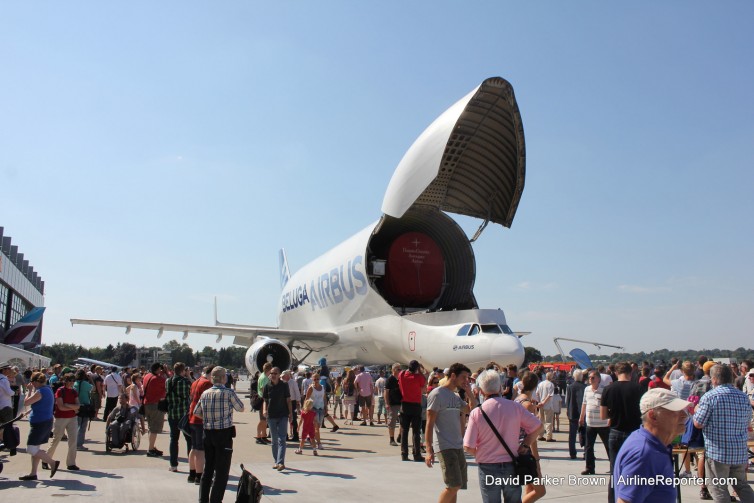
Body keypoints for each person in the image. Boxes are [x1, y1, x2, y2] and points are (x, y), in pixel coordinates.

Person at [465, 370, 543, 503]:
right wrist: (525, 444)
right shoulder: (514, 407)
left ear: (482, 392)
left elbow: (468, 446)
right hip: (511, 464)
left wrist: (481, 453)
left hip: (488, 466)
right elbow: (538, 426)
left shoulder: (477, 412)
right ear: (500, 388)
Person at [613, 388, 691, 502]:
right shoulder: (644, 454)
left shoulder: (653, 445)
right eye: (676, 411)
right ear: (653, 416)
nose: (684, 415)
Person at [693, 364, 754, 502]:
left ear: (714, 379)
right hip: (739, 450)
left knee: (718, 488)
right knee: (742, 486)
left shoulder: (710, 397)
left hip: (718, 452)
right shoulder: (743, 397)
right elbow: (747, 422)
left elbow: (698, 423)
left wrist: (696, 410)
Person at [425, 362, 476, 503]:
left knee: (456, 486)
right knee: (454, 485)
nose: (466, 380)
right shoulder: (437, 394)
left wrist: (469, 393)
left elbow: (471, 410)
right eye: (464, 377)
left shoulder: (455, 396)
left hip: (457, 445)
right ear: (453, 375)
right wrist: (429, 449)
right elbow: (429, 423)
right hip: (444, 445)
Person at [193, 366, 244, 503]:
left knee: (208, 468)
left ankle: (203, 499)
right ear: (222, 378)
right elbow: (241, 408)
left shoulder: (205, 394)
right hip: (223, 434)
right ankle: (215, 500)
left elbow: (196, 412)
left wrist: (209, 418)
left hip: (208, 433)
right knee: (221, 472)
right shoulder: (228, 393)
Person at [599, 362, 642, 503]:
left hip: (615, 432)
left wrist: (613, 415)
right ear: (631, 373)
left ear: (616, 373)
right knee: (636, 470)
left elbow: (603, 415)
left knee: (615, 470)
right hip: (635, 433)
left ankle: (613, 499)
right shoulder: (639, 388)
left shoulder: (608, 389)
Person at [18, 371, 60, 480]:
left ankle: (52, 462)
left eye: (32, 382)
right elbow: (40, 404)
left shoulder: (40, 391)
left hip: (40, 423)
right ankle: (33, 473)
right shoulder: (48, 389)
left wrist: (29, 390)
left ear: (36, 382)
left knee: (31, 449)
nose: (31, 384)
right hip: (44, 421)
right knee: (35, 448)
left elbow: (26, 403)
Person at [47, 373, 80, 471]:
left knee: (73, 441)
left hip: (72, 418)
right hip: (61, 418)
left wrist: (68, 405)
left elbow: (78, 405)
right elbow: (60, 407)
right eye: (69, 380)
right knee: (56, 440)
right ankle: (46, 459)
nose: (71, 382)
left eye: (73, 380)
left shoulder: (74, 391)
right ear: (65, 381)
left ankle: (71, 463)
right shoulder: (60, 391)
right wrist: (72, 407)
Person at [187, 365, 214, 484]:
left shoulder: (196, 382)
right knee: (200, 449)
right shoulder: (207, 383)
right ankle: (199, 475)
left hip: (192, 418)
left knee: (194, 447)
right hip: (200, 419)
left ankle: (192, 474)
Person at [579, 369, 609, 475]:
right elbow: (584, 403)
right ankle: (589, 468)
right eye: (589, 377)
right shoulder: (587, 389)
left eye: (592, 377)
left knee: (608, 446)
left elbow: (608, 406)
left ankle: (613, 466)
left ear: (598, 379)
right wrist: (581, 417)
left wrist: (609, 418)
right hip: (590, 422)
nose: (590, 379)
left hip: (602, 423)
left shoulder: (604, 390)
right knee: (588, 447)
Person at [262, 366, 292, 471]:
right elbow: (265, 400)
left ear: (279, 375)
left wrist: (291, 414)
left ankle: (280, 462)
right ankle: (276, 461)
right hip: (271, 415)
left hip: (283, 414)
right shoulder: (267, 386)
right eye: (272, 373)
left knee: (282, 439)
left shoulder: (284, 385)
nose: (273, 375)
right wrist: (264, 411)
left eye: (275, 373)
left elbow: (288, 400)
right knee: (274, 440)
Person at [166, 362, 191, 472]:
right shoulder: (185, 381)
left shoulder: (168, 381)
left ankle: (173, 464)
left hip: (172, 413)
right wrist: (189, 376)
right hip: (184, 414)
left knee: (173, 439)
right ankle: (192, 464)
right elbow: (191, 391)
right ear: (183, 371)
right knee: (189, 439)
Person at [400, 360, 427, 462]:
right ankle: (416, 454)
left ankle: (404, 454)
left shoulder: (402, 374)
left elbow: (403, 372)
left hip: (405, 405)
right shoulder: (418, 377)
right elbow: (424, 383)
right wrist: (419, 371)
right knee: (416, 431)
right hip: (415, 405)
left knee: (404, 430)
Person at [142, 362, 167, 457]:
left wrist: (161, 372)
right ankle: (150, 449)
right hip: (155, 405)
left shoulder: (147, 376)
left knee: (151, 427)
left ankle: (151, 447)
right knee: (154, 429)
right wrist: (167, 372)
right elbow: (168, 383)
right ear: (157, 370)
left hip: (147, 403)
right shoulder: (159, 379)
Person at [565, 369, 586, 460]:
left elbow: (567, 401)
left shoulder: (570, 387)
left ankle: (572, 453)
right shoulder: (585, 387)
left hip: (573, 412)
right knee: (585, 433)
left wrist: (567, 411)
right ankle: (586, 452)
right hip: (583, 412)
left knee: (572, 435)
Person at [73, 368, 93, 450]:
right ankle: (79, 444)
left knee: (76, 425)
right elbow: (93, 388)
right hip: (85, 406)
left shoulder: (75, 383)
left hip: (76, 405)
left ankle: (74, 443)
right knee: (82, 427)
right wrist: (90, 379)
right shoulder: (85, 383)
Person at [535, 371, 556, 442]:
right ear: (551, 377)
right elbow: (550, 395)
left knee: (541, 421)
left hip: (541, 404)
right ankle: (548, 436)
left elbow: (537, 393)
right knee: (548, 421)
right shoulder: (551, 384)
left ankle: (540, 435)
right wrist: (544, 402)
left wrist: (539, 402)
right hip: (548, 405)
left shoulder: (540, 384)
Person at [282, 370, 301, 442]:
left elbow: (297, 392)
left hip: (292, 402)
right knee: (284, 419)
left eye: (284, 376)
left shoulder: (293, 382)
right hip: (284, 402)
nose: (282, 377)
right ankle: (285, 435)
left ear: (287, 376)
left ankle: (296, 435)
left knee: (293, 419)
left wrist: (298, 401)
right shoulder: (282, 382)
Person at [255, 363, 272, 444]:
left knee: (265, 420)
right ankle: (258, 436)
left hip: (265, 399)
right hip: (263, 399)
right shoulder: (264, 378)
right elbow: (262, 389)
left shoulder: (264, 376)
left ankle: (263, 436)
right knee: (263, 419)